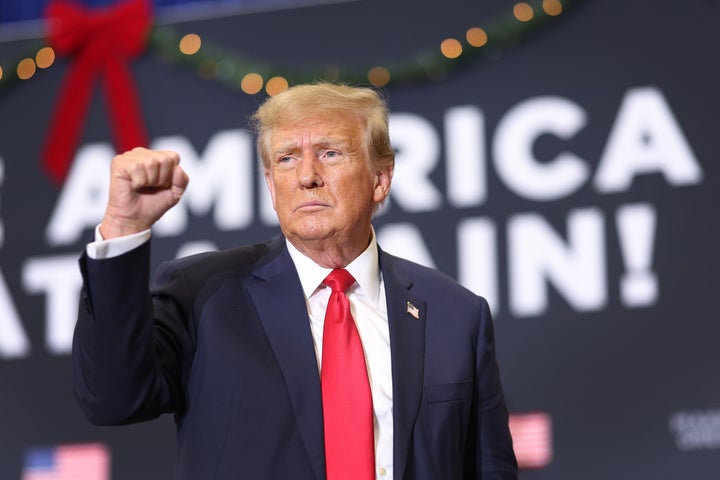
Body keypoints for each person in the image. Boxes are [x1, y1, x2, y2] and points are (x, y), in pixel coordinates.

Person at [73, 82, 518, 480]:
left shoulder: (456, 314)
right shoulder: (203, 294)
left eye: (329, 153)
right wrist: (122, 230)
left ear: (380, 178)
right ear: (270, 183)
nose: (307, 177)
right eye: (287, 158)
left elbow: (489, 467)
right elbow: (113, 399)